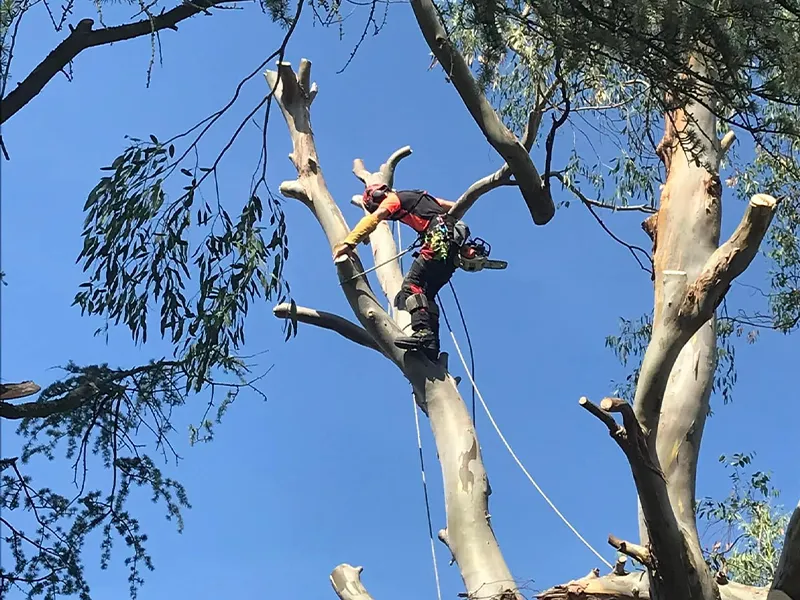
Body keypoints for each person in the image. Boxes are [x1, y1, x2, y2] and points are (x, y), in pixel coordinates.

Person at [332, 184, 469, 361]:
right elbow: (449, 205)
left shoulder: (393, 199)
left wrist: (349, 243)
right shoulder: (420, 196)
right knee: (426, 296)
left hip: (437, 241)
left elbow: (375, 218)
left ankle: (423, 332)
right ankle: (431, 346)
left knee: (411, 286)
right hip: (451, 251)